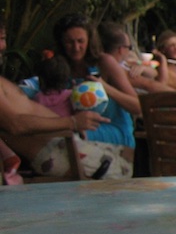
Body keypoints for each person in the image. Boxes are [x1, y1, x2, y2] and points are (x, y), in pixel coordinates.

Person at [0, 17, 112, 178]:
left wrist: (73, 126)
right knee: (117, 177)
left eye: (2, 38)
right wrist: (72, 122)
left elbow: (30, 111)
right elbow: (15, 124)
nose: (1, 46)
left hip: (62, 143)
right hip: (50, 152)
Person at [52, 14, 137, 177]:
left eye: (80, 41)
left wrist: (105, 87)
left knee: (71, 138)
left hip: (114, 129)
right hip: (78, 126)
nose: (76, 47)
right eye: (70, 42)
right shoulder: (60, 68)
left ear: (89, 40)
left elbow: (137, 106)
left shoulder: (105, 63)